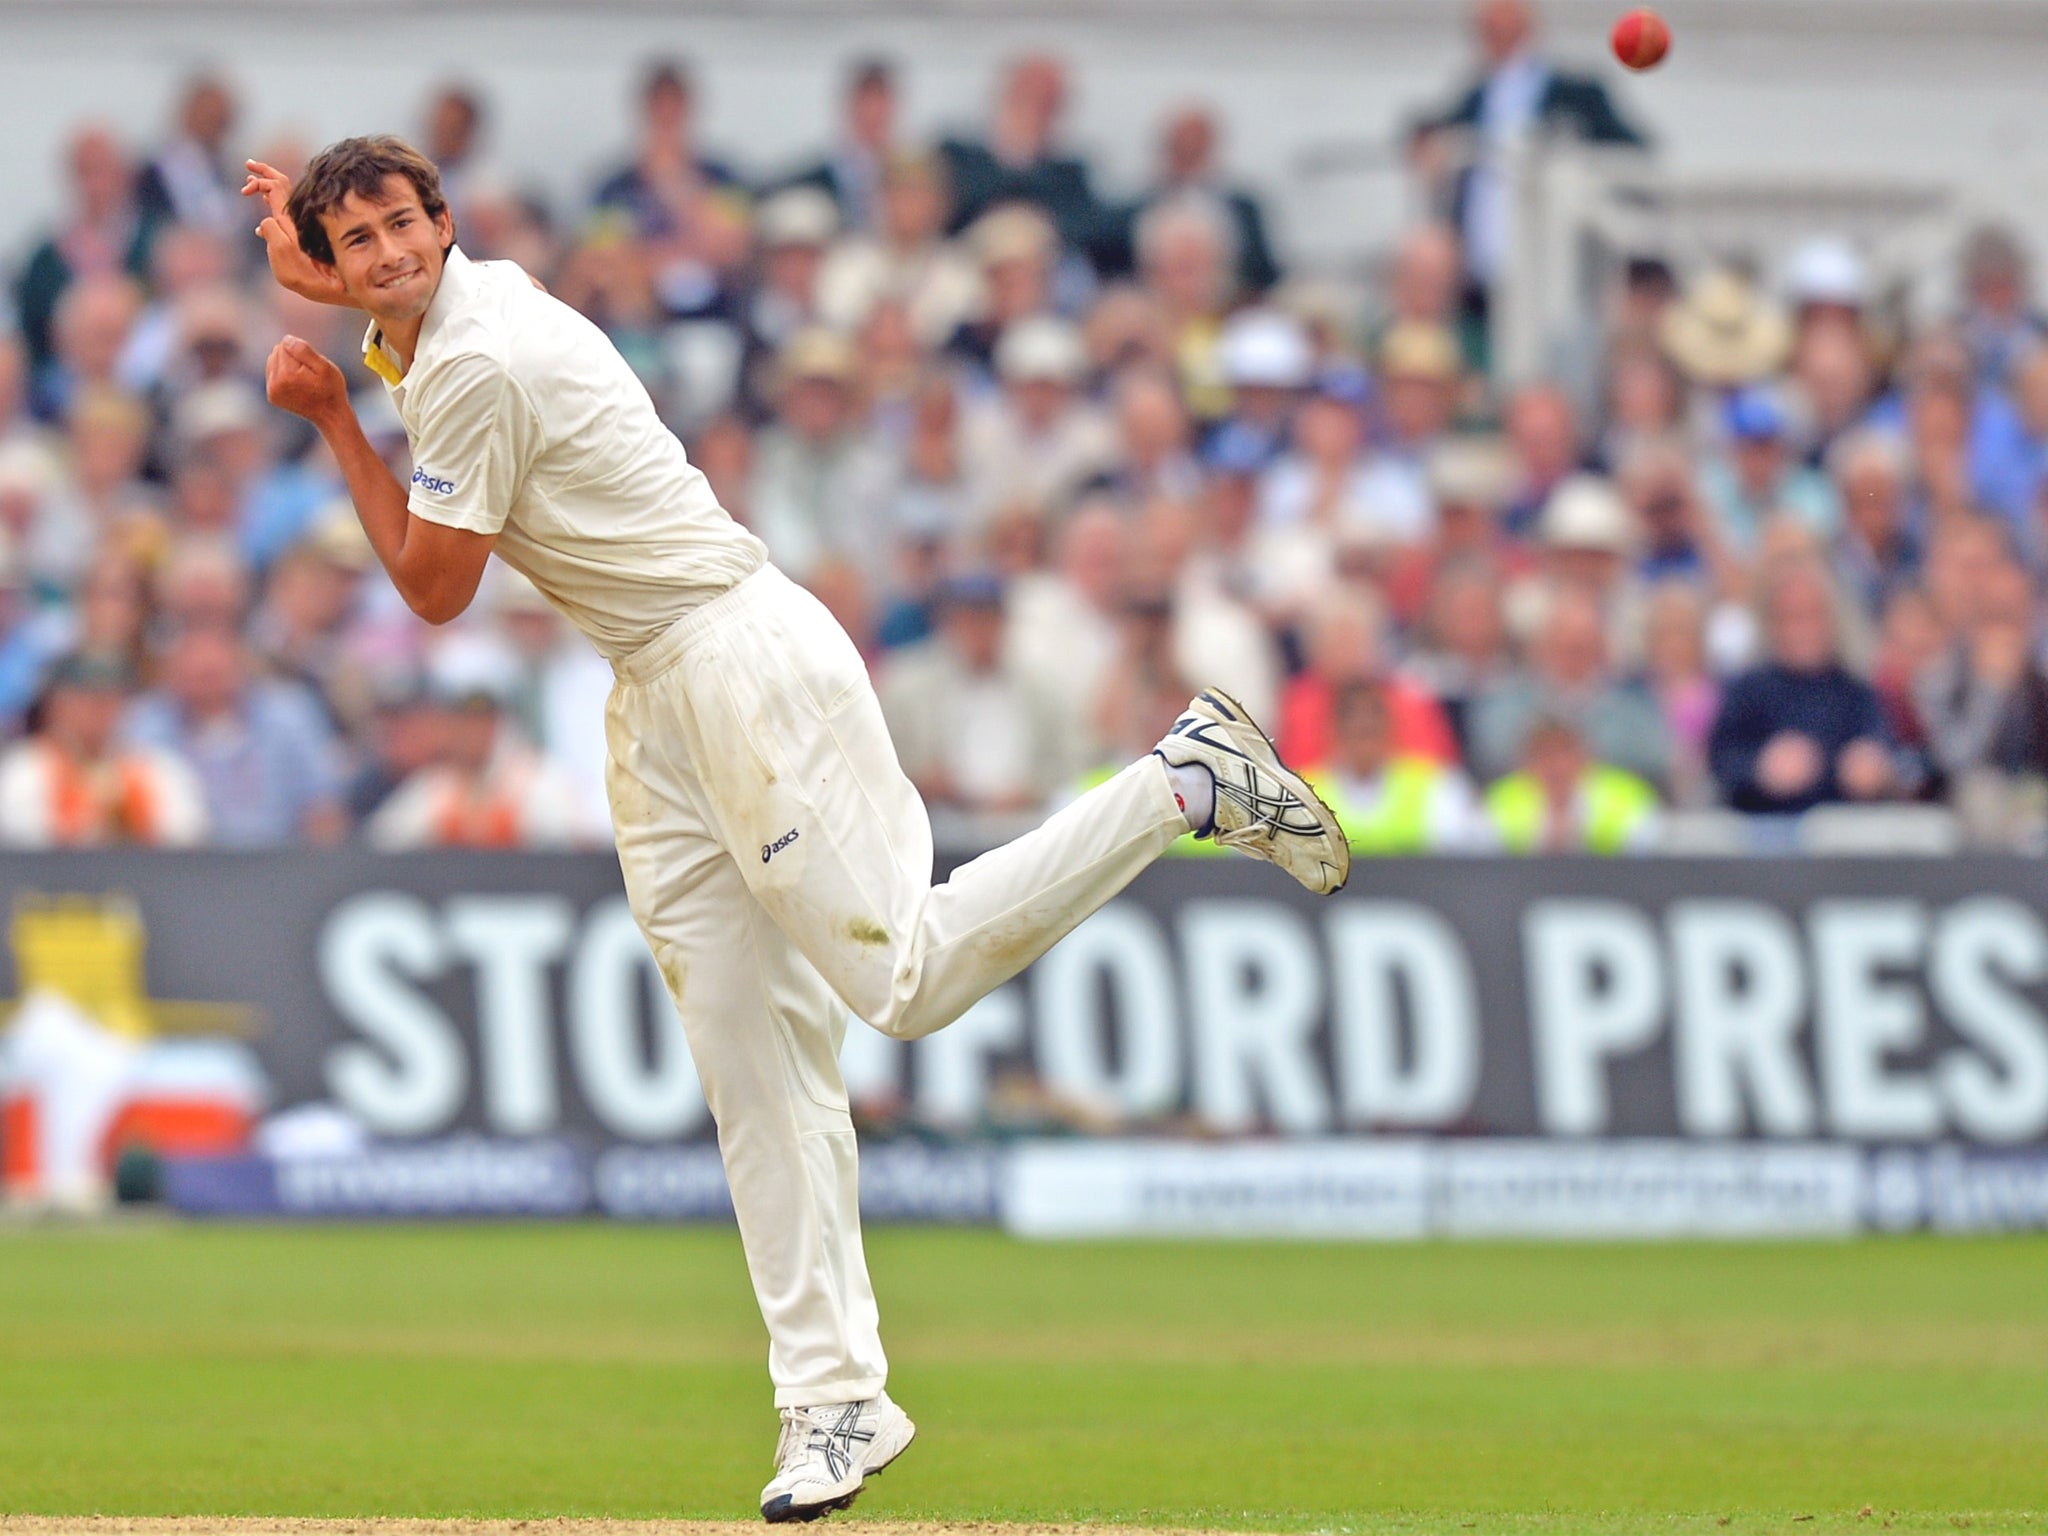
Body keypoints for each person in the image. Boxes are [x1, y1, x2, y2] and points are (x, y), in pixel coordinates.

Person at [243, 134, 1349, 1521]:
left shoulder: (472, 361)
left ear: (445, 221)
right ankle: (833, 1401)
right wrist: (334, 302)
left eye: (405, 227)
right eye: (361, 244)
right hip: (656, 700)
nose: (391, 255)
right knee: (755, 1070)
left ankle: (1185, 781)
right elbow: (408, 333)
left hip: (739, 665)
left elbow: (431, 590)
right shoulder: (459, 313)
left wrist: (333, 418)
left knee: (906, 979)